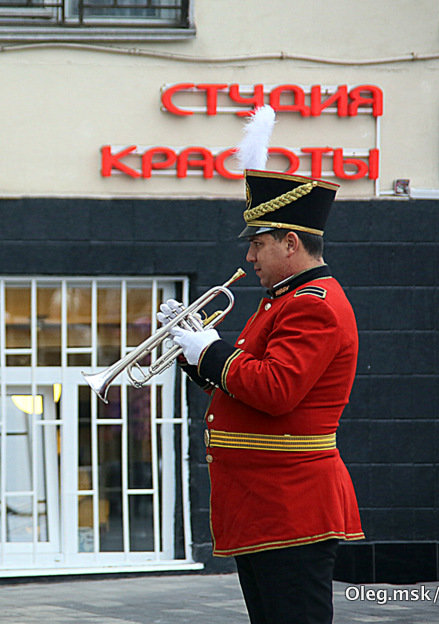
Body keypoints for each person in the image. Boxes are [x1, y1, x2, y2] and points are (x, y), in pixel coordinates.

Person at [164, 169, 364, 624]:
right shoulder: (284, 299)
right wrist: (193, 352)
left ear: (290, 243)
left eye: (259, 243)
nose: (250, 256)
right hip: (265, 505)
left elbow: (276, 390)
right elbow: (245, 386)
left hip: (290, 506)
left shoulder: (312, 304)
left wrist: (210, 351)